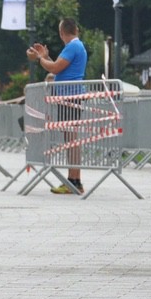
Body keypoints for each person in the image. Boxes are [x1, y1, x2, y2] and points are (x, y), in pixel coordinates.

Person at [27, 17, 88, 194]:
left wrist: (40, 58)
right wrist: (46, 57)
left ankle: (74, 181)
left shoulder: (72, 47)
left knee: (72, 139)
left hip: (69, 97)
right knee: (71, 139)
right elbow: (59, 67)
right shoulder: (76, 46)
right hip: (70, 96)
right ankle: (73, 180)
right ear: (76, 29)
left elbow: (54, 69)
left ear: (62, 33)